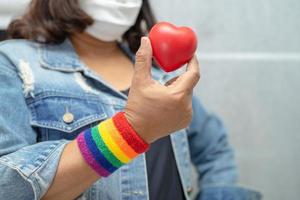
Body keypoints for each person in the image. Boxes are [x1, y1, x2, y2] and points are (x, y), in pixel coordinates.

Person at [0, 0, 261, 200]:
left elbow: (213, 145)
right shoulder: (13, 64)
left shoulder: (159, 70)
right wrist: (131, 131)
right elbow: (6, 185)